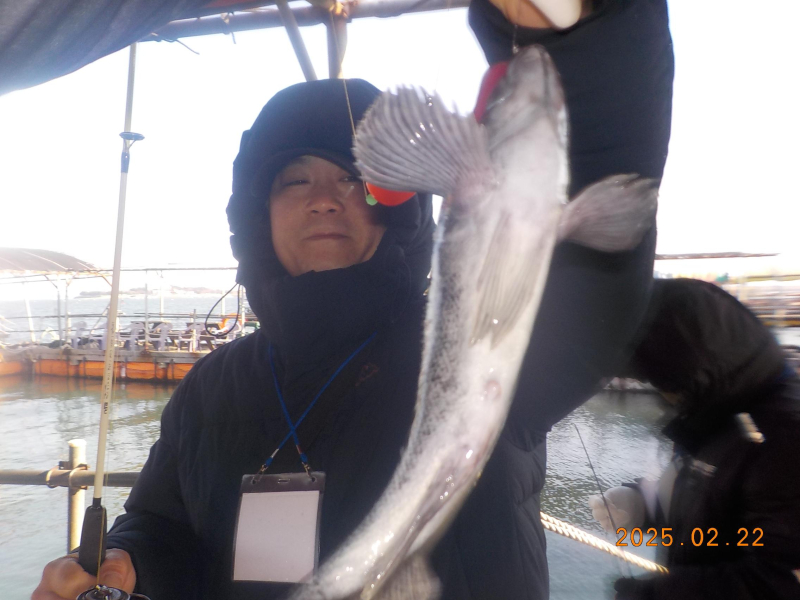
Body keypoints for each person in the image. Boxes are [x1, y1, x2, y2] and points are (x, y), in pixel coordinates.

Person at [33, 1, 674, 598]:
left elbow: (591, 245)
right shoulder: (210, 387)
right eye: (294, 180)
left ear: (399, 210)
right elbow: (164, 522)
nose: (322, 199)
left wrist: (586, 31)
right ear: (258, 215)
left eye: (353, 178)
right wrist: (131, 558)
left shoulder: (484, 336)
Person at [589, 278, 800, 600]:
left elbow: (779, 580)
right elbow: (717, 522)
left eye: (661, 381)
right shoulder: (717, 417)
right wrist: (642, 507)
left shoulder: (785, 438)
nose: (663, 394)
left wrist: (655, 596)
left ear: (694, 371)